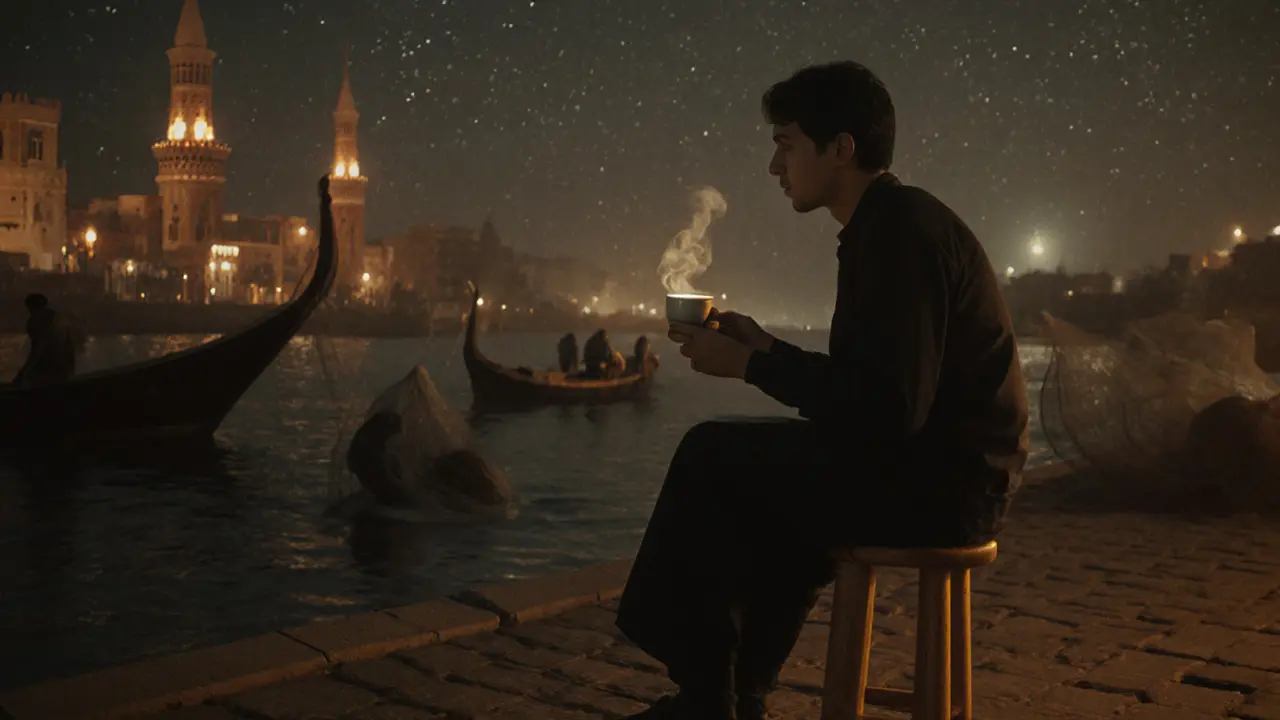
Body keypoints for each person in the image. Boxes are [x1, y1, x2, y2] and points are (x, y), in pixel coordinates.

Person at [617, 61, 1029, 720]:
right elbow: (868, 388)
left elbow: (890, 410)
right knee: (766, 480)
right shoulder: (882, 226)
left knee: (710, 456)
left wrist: (749, 368)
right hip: (939, 469)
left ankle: (709, 699)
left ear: (841, 148)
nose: (774, 167)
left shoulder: (899, 232)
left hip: (949, 488)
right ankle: (735, 696)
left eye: (785, 144)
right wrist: (766, 347)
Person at [12, 293, 77, 388]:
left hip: (47, 371)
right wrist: (70, 370)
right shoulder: (60, 319)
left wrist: (22, 372)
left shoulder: (35, 322)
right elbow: (70, 347)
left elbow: (37, 350)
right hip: (62, 370)